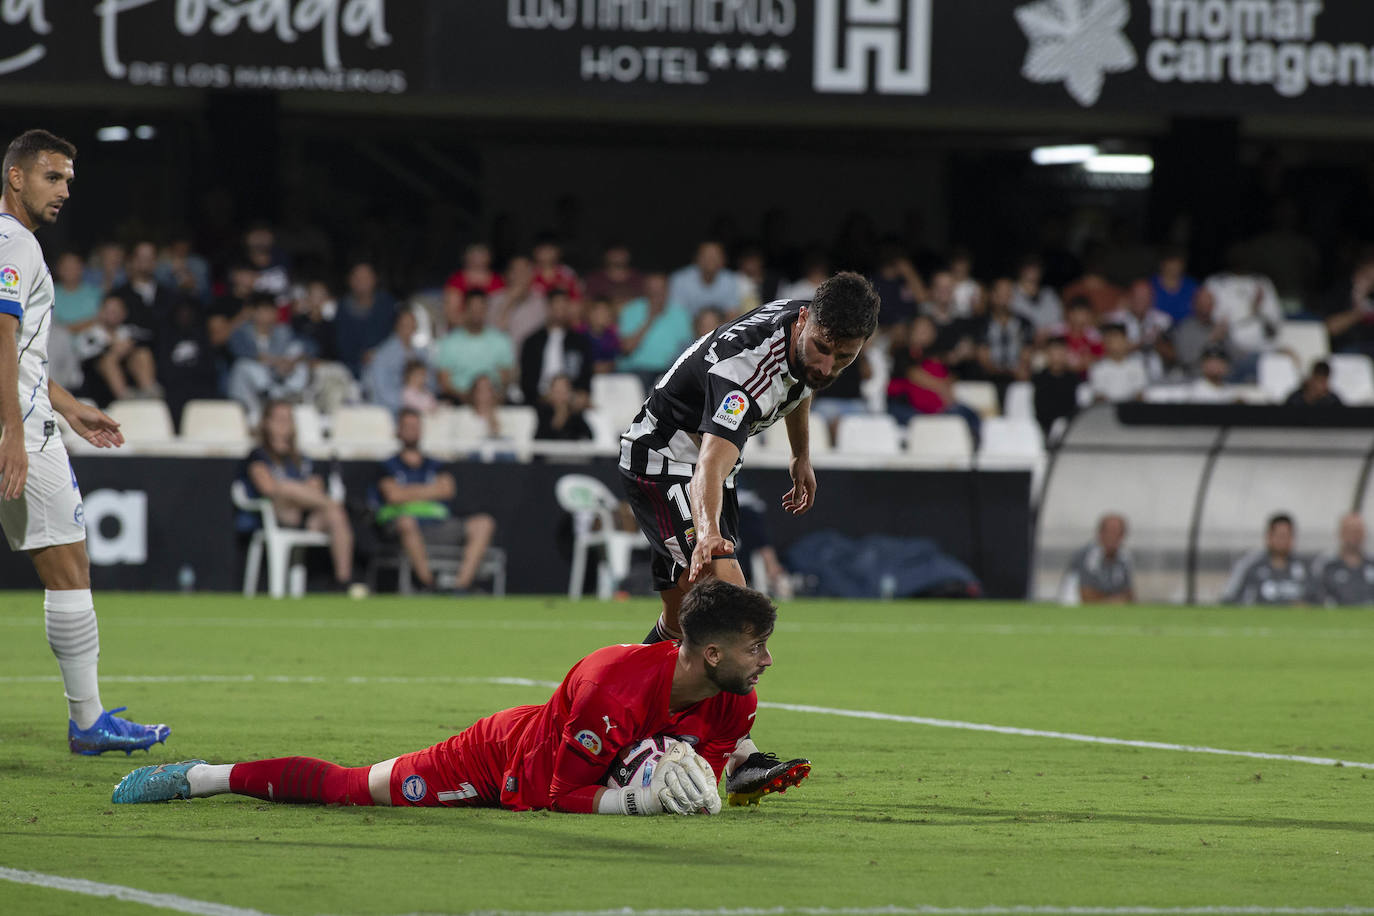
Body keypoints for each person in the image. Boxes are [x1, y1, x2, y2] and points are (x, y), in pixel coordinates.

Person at [112, 580, 809, 813]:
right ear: (711, 652)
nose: (767, 662)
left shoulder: (735, 696)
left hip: (574, 760)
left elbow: (705, 762)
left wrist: (702, 786)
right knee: (356, 790)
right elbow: (556, 796)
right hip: (505, 762)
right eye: (756, 649)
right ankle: (201, 777)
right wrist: (641, 798)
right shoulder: (610, 684)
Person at [0, 128, 170, 755]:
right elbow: (2, 337)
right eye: (52, 176)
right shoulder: (17, 245)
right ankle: (89, 721)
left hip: (24, 414)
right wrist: (16, 434)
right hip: (16, 428)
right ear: (15, 177)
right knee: (68, 568)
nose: (65, 189)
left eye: (69, 179)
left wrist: (68, 408)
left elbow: (18, 355)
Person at [620, 272, 879, 644]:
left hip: (709, 464)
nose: (827, 366)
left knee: (679, 624)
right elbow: (708, 466)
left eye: (844, 357)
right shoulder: (742, 376)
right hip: (663, 458)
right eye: (823, 348)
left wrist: (800, 455)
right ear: (804, 320)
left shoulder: (806, 330)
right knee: (732, 608)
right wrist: (707, 533)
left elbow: (803, 382)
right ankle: (739, 702)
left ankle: (625, 696)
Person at [374, 408, 496, 592]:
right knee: (406, 522)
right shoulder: (387, 465)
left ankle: (460, 587)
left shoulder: (436, 464)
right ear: (398, 430)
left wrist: (407, 492)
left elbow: (447, 489)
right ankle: (429, 585)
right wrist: (430, 491)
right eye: (407, 426)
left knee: (484, 523)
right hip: (406, 528)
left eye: (415, 426)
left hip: (439, 525)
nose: (412, 430)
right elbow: (393, 495)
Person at [239, 400, 356, 589]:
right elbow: (269, 488)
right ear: (266, 423)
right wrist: (300, 490)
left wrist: (303, 492)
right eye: (279, 420)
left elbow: (317, 486)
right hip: (276, 515)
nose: (284, 426)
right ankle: (339, 505)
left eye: (288, 420)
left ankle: (343, 582)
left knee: (336, 515)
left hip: (308, 516)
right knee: (286, 488)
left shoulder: (302, 458)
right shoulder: (258, 456)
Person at [72, 294, 162, 405]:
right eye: (109, 310)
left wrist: (128, 347)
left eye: (117, 311)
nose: (113, 314)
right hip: (97, 386)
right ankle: (125, 397)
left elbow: (151, 339)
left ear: (124, 314)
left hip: (131, 378)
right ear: (100, 312)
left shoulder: (129, 331)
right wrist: (112, 348)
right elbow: (85, 359)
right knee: (109, 360)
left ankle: (150, 392)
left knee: (142, 353)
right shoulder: (88, 335)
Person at [433, 291, 515, 405]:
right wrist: (467, 398)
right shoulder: (449, 342)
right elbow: (444, 380)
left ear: (486, 310)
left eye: (480, 309)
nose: (476, 314)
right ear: (465, 310)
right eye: (472, 309)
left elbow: (506, 377)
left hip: (493, 400)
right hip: (459, 400)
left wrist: (490, 397)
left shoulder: (500, 340)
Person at [518, 288, 593, 406]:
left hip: (571, 401)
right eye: (556, 307)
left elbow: (585, 375)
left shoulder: (579, 342)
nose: (560, 311)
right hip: (539, 401)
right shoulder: (532, 342)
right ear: (548, 308)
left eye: (563, 307)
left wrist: (579, 394)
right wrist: (543, 397)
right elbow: (526, 380)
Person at [616, 272, 693, 382]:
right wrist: (650, 319)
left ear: (667, 291)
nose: (657, 293)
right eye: (652, 289)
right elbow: (627, 348)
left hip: (669, 371)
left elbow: (687, 349)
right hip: (636, 370)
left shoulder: (680, 314)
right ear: (645, 291)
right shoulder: (631, 310)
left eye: (660, 289)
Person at [1221, 513, 1309, 606]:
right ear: (1269, 537)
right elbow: (1229, 599)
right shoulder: (1250, 566)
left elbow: (1317, 600)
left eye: (1287, 536)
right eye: (1279, 536)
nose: (1283, 541)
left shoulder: (1304, 567)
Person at [1062, 513, 1134, 604]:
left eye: (1118, 533)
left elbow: (1129, 595)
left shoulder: (1124, 558)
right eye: (1110, 532)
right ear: (1100, 533)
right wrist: (1114, 600)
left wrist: (1107, 599)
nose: (1114, 537)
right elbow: (1086, 596)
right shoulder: (1086, 556)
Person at [1308, 513, 1374, 606]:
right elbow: (1316, 595)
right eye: (1350, 531)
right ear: (1340, 532)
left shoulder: (1371, 563)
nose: (1354, 536)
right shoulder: (1326, 564)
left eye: (1358, 531)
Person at [668, 240, 741, 316]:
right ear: (696, 258)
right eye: (706, 255)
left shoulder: (731, 280)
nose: (710, 259)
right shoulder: (680, 280)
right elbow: (677, 315)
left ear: (724, 259)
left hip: (720, 326)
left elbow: (732, 315)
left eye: (715, 255)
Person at [534, 374, 594, 441]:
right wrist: (558, 416)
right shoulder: (542, 410)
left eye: (564, 391)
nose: (560, 395)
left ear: (570, 392)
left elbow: (588, 435)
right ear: (551, 392)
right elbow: (540, 437)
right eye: (557, 391)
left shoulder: (575, 413)